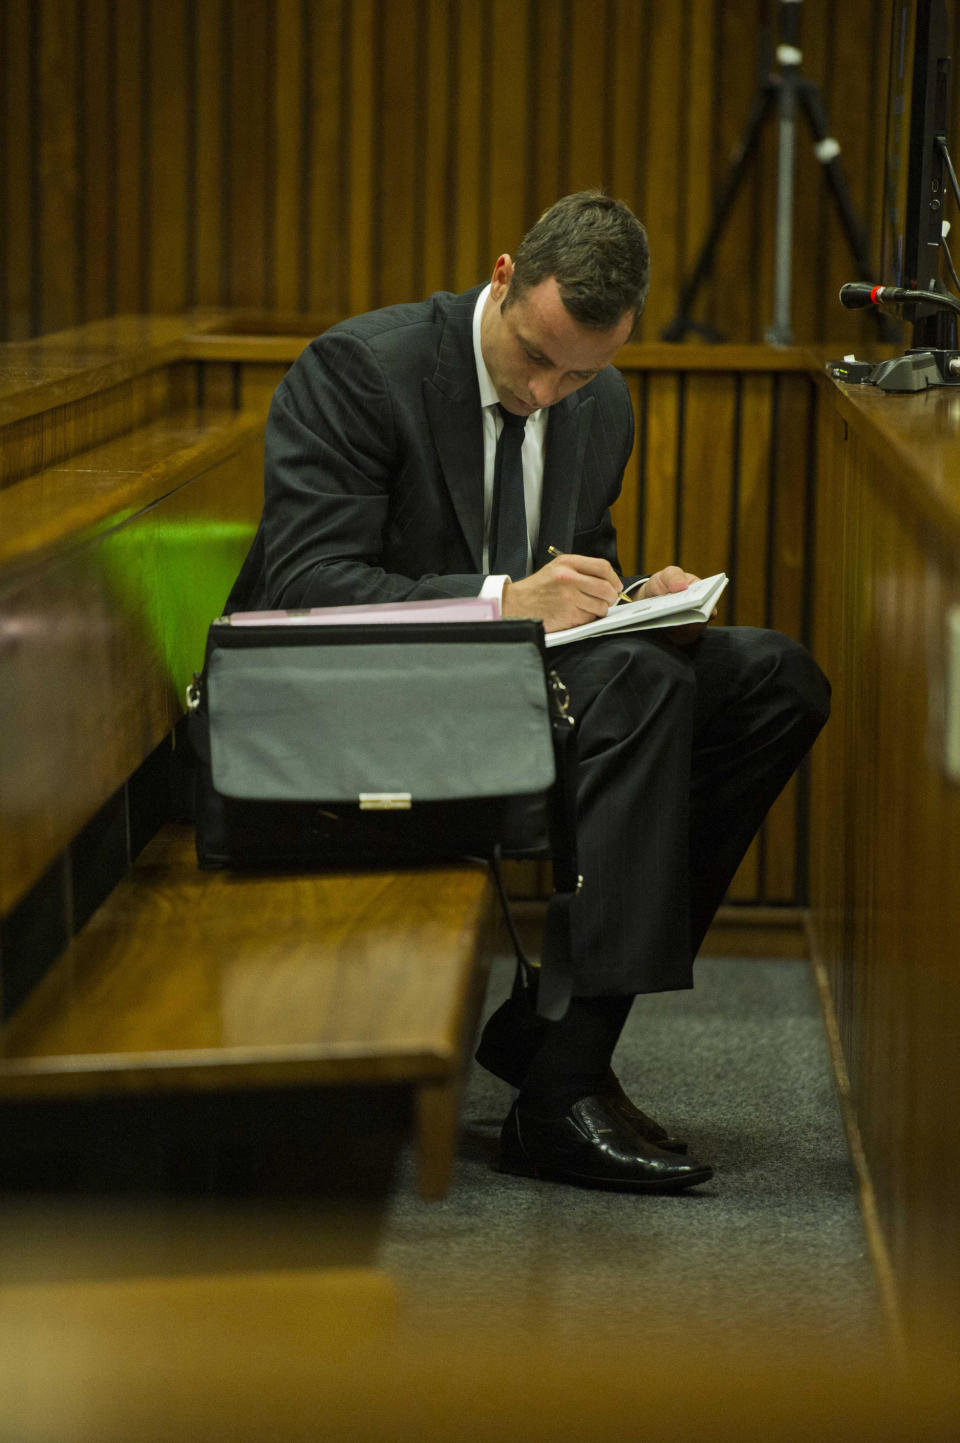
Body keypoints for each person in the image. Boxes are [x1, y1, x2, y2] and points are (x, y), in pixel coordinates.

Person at [225, 191, 830, 1194]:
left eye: (581, 371)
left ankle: (552, 1017)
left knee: (775, 679)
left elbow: (573, 584)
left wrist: (638, 599)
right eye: (536, 359)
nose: (551, 392)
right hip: (362, 706)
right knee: (638, 687)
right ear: (503, 278)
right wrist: (503, 599)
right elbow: (301, 590)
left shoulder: (601, 400)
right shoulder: (363, 372)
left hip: (519, 684)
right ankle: (565, 1080)